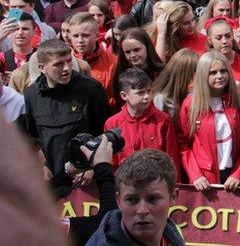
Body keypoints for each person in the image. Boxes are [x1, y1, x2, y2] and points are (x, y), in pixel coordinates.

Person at [24, 39, 110, 183]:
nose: (66, 68)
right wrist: (41, 165)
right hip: (52, 179)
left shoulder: (90, 89)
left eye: (69, 61)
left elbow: (105, 134)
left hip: (85, 178)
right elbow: (33, 136)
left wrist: (93, 167)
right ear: (42, 67)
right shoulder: (31, 94)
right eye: (58, 64)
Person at [178, 51, 240, 192]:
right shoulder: (189, 104)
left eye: (223, 71)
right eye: (213, 72)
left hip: (235, 177)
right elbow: (183, 146)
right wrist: (195, 175)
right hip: (204, 179)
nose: (220, 76)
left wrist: (239, 172)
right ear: (203, 75)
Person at [85, 149, 186, 246]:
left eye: (153, 199)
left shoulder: (172, 238)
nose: (142, 210)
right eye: (132, 200)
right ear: (118, 200)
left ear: (173, 197)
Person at [104, 68, 179, 169]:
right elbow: (111, 162)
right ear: (124, 96)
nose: (147, 96)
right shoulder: (112, 124)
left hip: (155, 181)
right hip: (125, 182)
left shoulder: (163, 120)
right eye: (140, 93)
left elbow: (172, 158)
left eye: (148, 91)